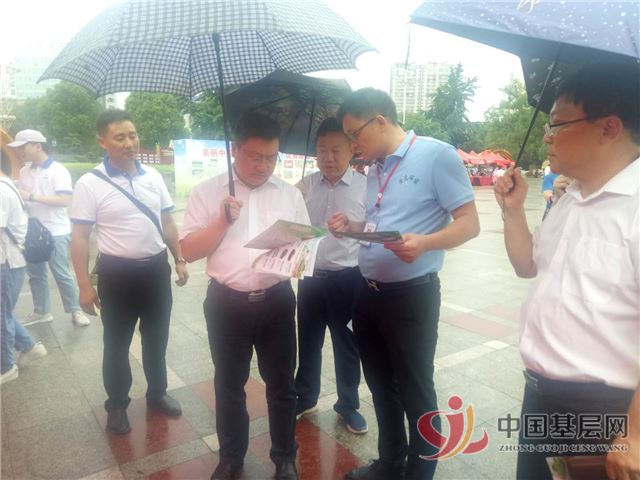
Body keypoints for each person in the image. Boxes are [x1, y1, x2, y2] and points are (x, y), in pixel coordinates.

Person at [493, 64, 639, 480]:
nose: (547, 136)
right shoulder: (571, 197)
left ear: (608, 127)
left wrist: (635, 433)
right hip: (541, 395)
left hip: (607, 411)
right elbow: (527, 265)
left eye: (557, 124)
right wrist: (513, 211)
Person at [329, 88, 480, 480]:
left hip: (411, 296)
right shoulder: (375, 166)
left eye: (355, 134)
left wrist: (425, 243)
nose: (352, 144)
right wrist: (352, 227)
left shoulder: (436, 156)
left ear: (380, 121)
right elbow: (379, 226)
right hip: (368, 294)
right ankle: (390, 464)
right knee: (381, 387)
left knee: (417, 393)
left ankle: (419, 475)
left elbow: (470, 223)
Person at [180, 113, 309, 480]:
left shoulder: (288, 194)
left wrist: (296, 254)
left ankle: (284, 457)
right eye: (254, 156)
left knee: (282, 385)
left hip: (276, 301)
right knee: (229, 385)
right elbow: (188, 251)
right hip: (226, 304)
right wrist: (222, 221)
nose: (263, 166)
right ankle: (231, 458)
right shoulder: (208, 191)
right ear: (234, 149)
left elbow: (302, 248)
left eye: (271, 158)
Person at [70, 109, 189, 435]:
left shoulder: (153, 177)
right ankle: (117, 405)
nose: (129, 143)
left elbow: (167, 221)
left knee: (156, 339)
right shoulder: (90, 183)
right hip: (117, 276)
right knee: (116, 344)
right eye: (119, 137)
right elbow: (79, 238)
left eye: (132, 135)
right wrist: (84, 285)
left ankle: (157, 393)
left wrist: (179, 258)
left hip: (156, 272)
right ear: (103, 141)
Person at [294, 118, 368, 434]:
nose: (328, 158)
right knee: (308, 341)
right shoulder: (305, 186)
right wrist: (291, 202)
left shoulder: (366, 187)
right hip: (310, 277)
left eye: (336, 150)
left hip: (347, 279)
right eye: (322, 150)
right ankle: (304, 397)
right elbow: (291, 227)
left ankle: (348, 405)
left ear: (352, 149)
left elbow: (375, 231)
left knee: (346, 345)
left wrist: (353, 227)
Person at [7, 130, 90, 327]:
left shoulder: (58, 170)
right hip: (31, 231)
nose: (19, 152)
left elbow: (64, 200)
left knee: (61, 272)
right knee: (36, 274)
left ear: (38, 146)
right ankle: (41, 311)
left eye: (22, 147)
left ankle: (76, 310)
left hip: (55, 231)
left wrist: (31, 196)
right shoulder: (25, 171)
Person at [1, 160, 48, 385]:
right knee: (3, 312)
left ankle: (6, 367)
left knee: (1, 316)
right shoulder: (7, 186)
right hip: (9, 261)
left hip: (6, 263)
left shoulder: (1, 190)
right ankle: (29, 346)